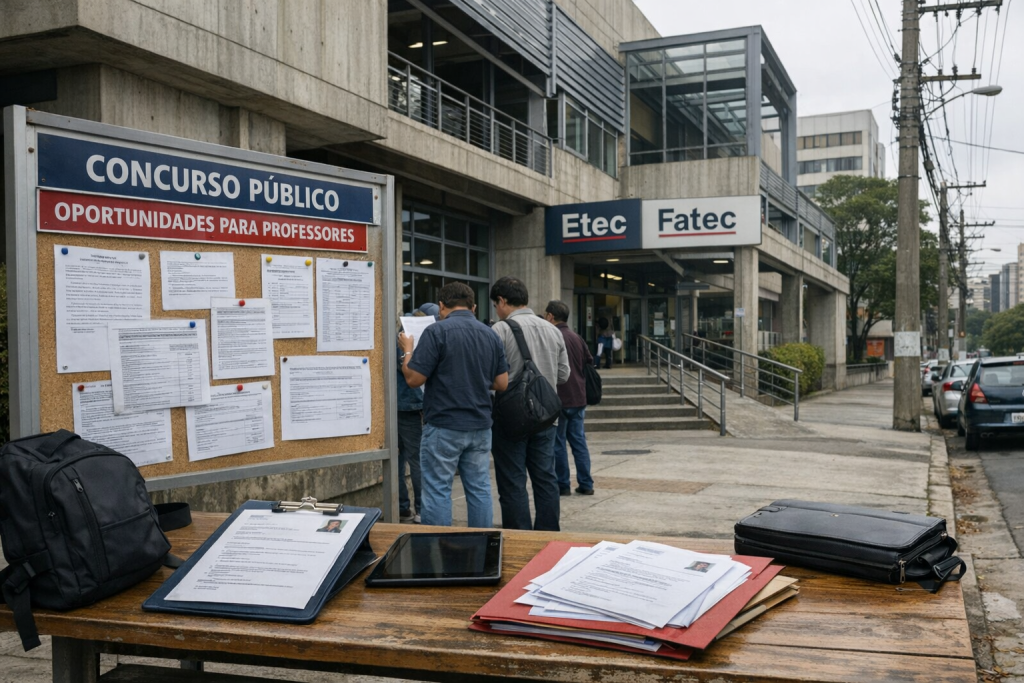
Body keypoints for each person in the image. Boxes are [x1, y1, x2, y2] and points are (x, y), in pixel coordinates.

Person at [399, 283, 508, 528]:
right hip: (480, 426)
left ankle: (438, 549)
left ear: (441, 306)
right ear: (474, 306)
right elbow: (502, 383)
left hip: (444, 425)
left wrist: (407, 351)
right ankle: (481, 546)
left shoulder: (437, 332)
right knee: (479, 488)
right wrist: (474, 378)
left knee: (437, 490)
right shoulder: (490, 334)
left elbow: (414, 379)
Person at [489, 276, 569, 531]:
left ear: (502, 301)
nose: (497, 310)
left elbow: (492, 376)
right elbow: (564, 374)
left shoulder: (500, 330)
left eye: (495, 305)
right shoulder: (552, 329)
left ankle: (519, 537)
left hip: (510, 420)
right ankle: (547, 536)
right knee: (546, 478)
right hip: (546, 418)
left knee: (512, 481)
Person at [544, 300, 595, 497]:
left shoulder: (553, 336)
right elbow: (589, 361)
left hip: (560, 398)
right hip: (579, 397)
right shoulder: (576, 337)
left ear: (550, 316)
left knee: (558, 443)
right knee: (579, 442)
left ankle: (562, 484)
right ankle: (586, 483)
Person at [395, 303, 438, 524]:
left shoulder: (401, 334)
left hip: (400, 405)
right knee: (418, 459)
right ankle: (421, 509)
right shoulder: (411, 337)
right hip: (412, 405)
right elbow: (411, 372)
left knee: (399, 459)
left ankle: (402, 507)